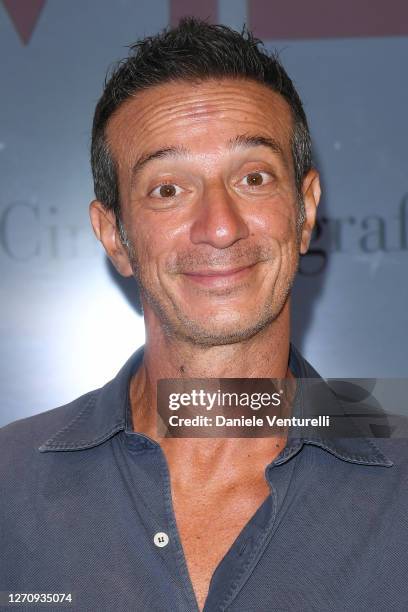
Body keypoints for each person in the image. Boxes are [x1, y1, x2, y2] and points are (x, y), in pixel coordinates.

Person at [0, 18, 407, 612]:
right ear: (115, 235)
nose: (220, 225)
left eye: (254, 177)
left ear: (305, 210)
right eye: (168, 189)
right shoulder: (9, 486)